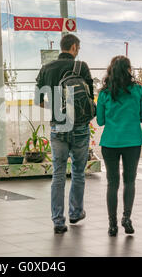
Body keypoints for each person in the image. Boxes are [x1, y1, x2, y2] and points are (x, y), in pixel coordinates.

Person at [35, 34, 95, 234]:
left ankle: (58, 221)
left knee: (58, 174)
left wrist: (55, 108)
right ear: (75, 47)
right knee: (78, 171)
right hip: (79, 126)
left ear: (61, 47)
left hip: (58, 126)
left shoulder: (46, 69)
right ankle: (76, 212)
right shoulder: (81, 67)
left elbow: (38, 100)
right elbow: (90, 98)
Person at [96, 55, 142, 236]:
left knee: (112, 183)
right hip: (133, 141)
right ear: (129, 70)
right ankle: (126, 218)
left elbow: (101, 121)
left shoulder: (104, 93)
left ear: (111, 71)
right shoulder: (138, 90)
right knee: (129, 181)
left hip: (110, 142)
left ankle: (112, 225)